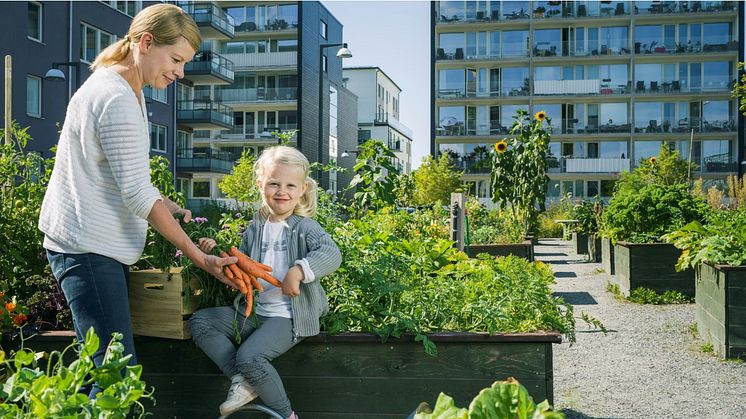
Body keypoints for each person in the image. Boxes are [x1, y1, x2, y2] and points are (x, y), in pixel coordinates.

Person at [38, 3, 237, 396]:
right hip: (87, 250)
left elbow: (124, 174)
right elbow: (137, 194)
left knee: (97, 370)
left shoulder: (127, 87)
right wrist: (199, 256)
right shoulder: (117, 98)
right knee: (117, 377)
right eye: (176, 59)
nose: (180, 72)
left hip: (89, 246)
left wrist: (172, 205)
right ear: (146, 42)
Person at [189, 146, 342, 418]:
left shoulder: (305, 227)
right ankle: (244, 380)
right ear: (261, 185)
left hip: (288, 316)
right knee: (201, 322)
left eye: (290, 185)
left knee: (250, 356)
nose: (281, 191)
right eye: (273, 183)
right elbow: (242, 267)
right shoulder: (255, 227)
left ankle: (286, 415)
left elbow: (331, 253)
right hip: (255, 312)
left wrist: (299, 270)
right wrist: (216, 252)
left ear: (302, 189)